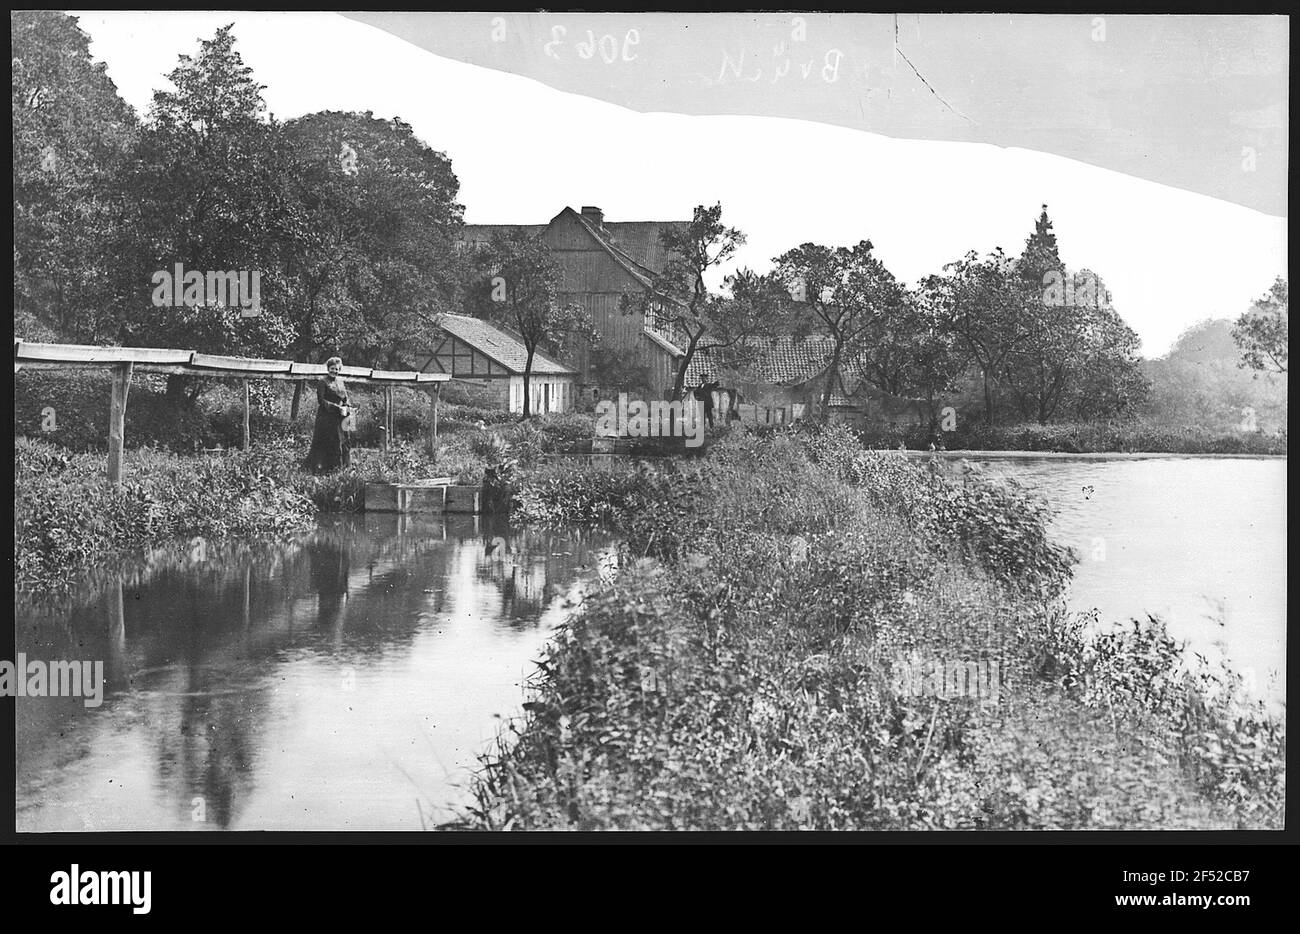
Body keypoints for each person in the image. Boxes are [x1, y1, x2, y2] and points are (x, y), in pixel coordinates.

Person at [306, 356, 353, 473]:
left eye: (336, 369)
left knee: (344, 440)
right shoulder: (323, 382)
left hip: (341, 417)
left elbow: (346, 397)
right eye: (332, 368)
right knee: (331, 441)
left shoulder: (341, 382)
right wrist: (337, 408)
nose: (334, 371)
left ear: (339, 370)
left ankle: (343, 467)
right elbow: (321, 400)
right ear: (328, 369)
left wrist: (347, 405)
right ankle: (328, 468)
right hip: (327, 417)